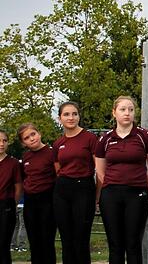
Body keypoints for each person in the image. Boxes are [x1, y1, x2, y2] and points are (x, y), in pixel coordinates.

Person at [95, 96, 148, 264]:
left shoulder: (144, 136)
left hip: (137, 195)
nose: (127, 113)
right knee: (115, 245)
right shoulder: (105, 139)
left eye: (131, 110)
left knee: (133, 244)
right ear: (114, 112)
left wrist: (142, 188)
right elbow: (100, 171)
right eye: (123, 109)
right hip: (111, 195)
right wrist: (113, 184)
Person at [52, 101, 100, 264]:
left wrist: (98, 195)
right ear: (60, 119)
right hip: (63, 191)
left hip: (84, 189)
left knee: (81, 238)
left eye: (74, 114)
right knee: (66, 239)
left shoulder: (90, 139)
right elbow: (58, 168)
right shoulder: (58, 143)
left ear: (79, 116)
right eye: (66, 114)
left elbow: (99, 169)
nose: (71, 117)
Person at [17, 123, 57, 264]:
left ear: (39, 133)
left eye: (33, 134)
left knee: (47, 241)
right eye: (27, 138)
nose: (32, 139)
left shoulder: (52, 153)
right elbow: (24, 179)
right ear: (23, 143)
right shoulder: (26, 157)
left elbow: (58, 175)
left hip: (48, 201)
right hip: (30, 202)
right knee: (34, 242)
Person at [0, 130, 22, 264]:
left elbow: (18, 186)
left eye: (4, 140)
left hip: (5, 206)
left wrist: (12, 204)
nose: (1, 144)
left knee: (3, 245)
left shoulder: (13, 163)